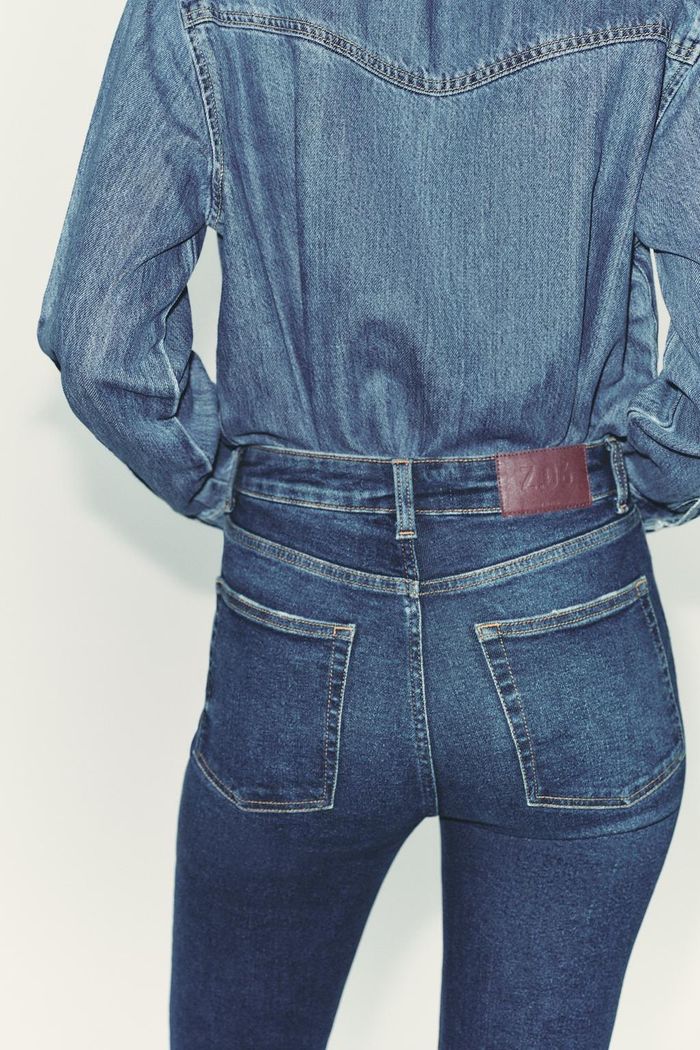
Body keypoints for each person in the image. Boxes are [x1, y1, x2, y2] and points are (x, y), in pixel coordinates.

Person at [36, 0, 699, 1046]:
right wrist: (595, 498)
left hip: (300, 612)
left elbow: (100, 338)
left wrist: (264, 497)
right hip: (562, 598)